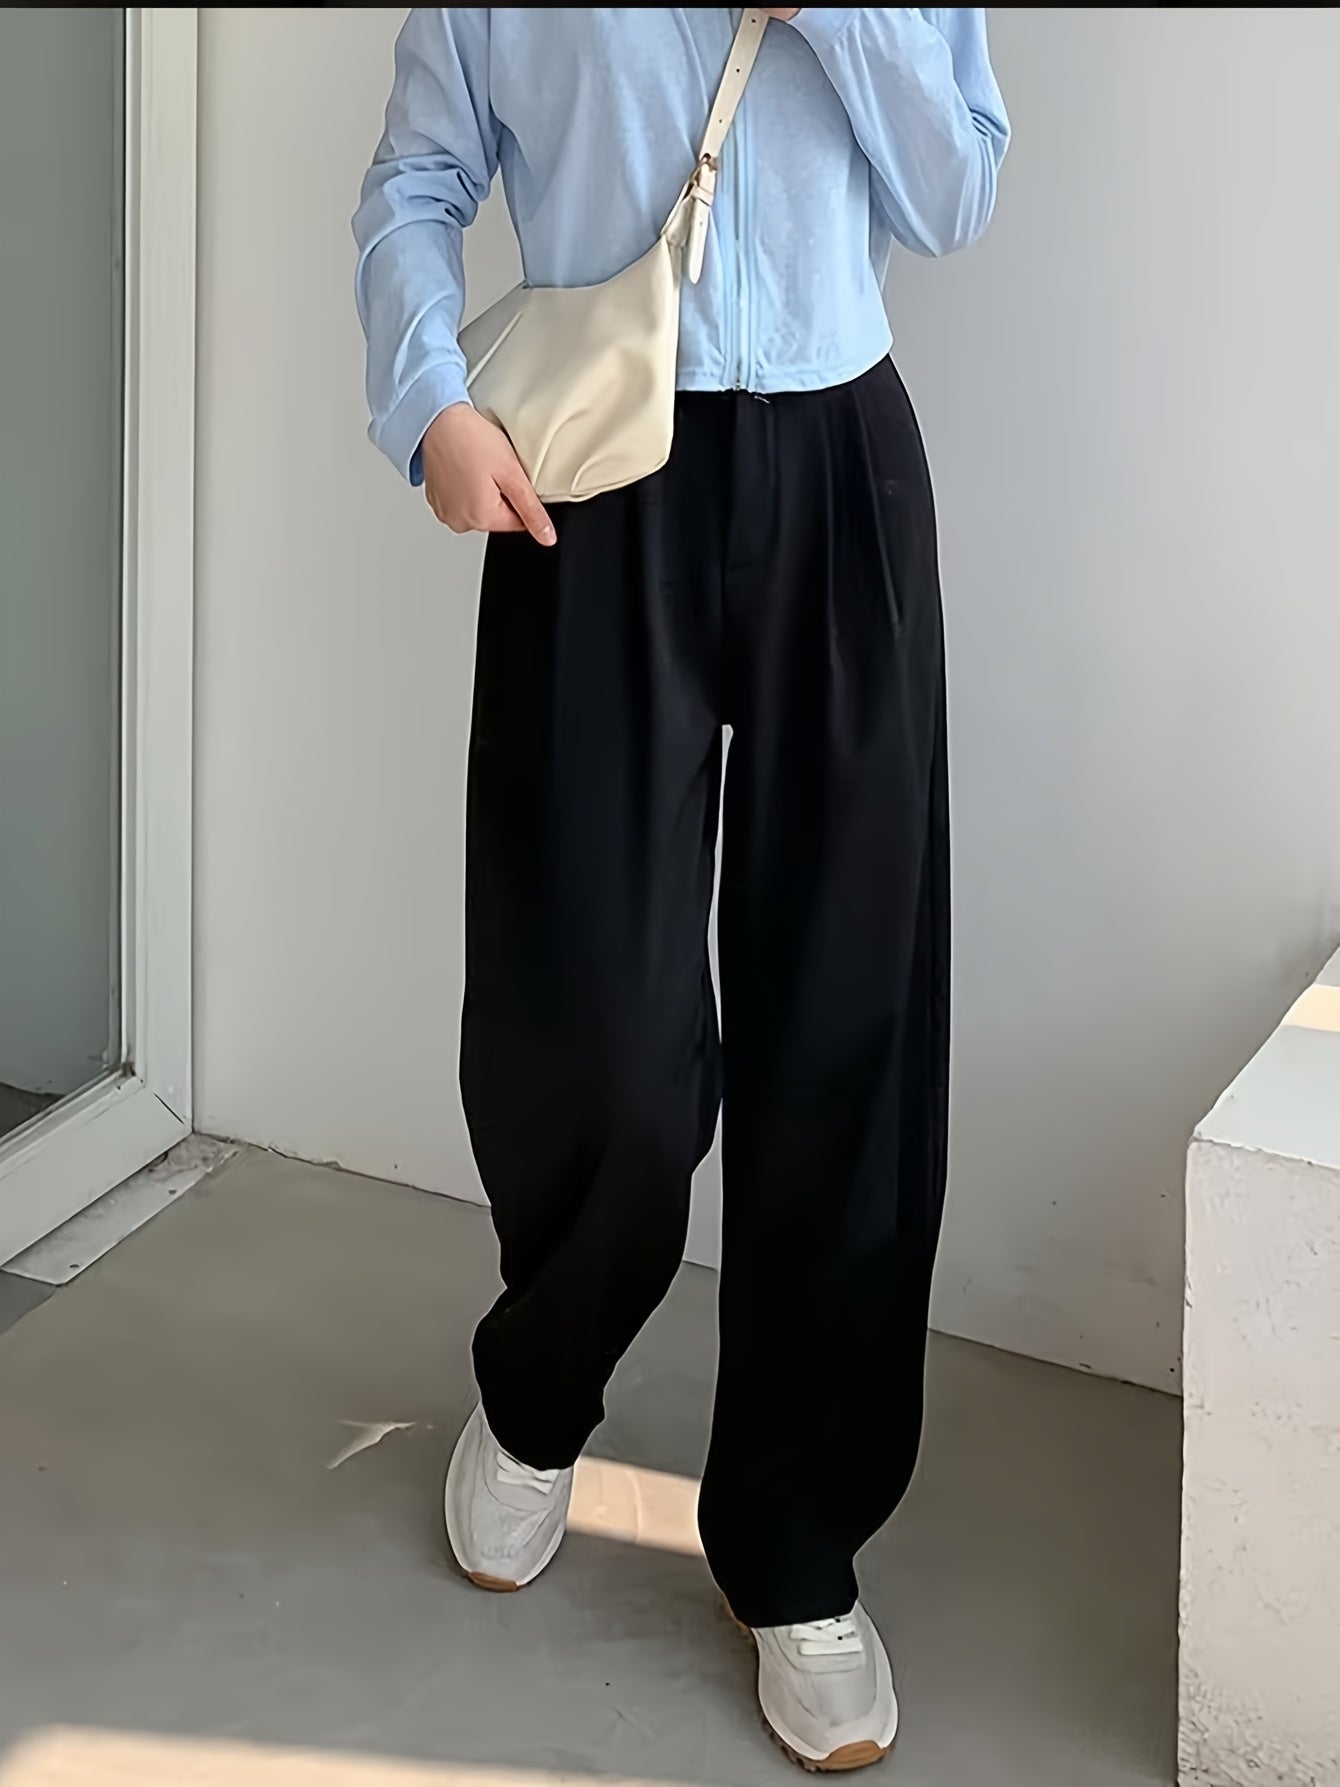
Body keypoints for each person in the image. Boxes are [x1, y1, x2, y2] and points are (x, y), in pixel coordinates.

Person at [354, 7, 1008, 1769]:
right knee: (594, 1021)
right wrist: (428, 399)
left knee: (848, 1017)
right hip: (592, 471)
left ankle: (797, 1547)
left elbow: (957, 191)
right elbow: (417, 175)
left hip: (843, 468)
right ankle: (538, 1389)